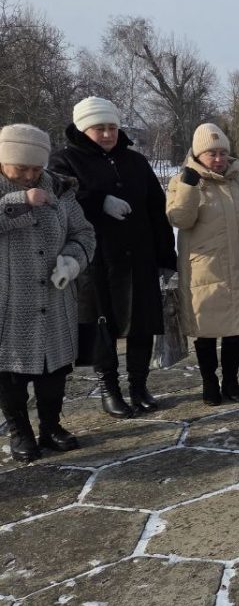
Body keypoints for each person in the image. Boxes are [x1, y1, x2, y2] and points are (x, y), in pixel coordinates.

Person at [49, 97, 177, 417]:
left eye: (112, 128)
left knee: (142, 324)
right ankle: (110, 388)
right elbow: (59, 197)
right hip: (98, 260)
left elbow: (156, 209)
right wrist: (98, 201)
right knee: (102, 326)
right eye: (99, 129)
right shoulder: (65, 161)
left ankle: (139, 385)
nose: (107, 134)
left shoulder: (135, 162)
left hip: (140, 255)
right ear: (82, 129)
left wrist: (165, 256)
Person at [0, 124, 95, 461]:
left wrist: (72, 260)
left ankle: (51, 426)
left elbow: (84, 232)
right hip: (8, 304)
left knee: (53, 370)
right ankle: (20, 433)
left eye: (36, 168)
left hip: (54, 298)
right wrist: (17, 201)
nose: (29, 175)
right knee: (11, 373)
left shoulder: (59, 190)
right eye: (20, 168)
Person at [167, 124, 239, 406]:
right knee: (206, 331)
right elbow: (180, 220)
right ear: (199, 155)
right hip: (204, 270)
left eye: (223, 152)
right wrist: (188, 186)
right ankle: (209, 382)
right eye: (212, 153)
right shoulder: (183, 181)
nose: (219, 159)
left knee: (235, 329)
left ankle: (232, 380)